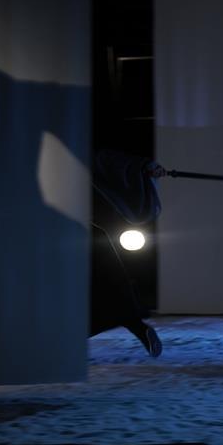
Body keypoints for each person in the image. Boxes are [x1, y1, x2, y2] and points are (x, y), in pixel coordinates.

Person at [90, 148, 165, 357]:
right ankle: (137, 326)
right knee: (107, 283)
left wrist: (144, 167)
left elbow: (103, 159)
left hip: (76, 231)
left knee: (103, 282)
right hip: (83, 230)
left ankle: (136, 326)